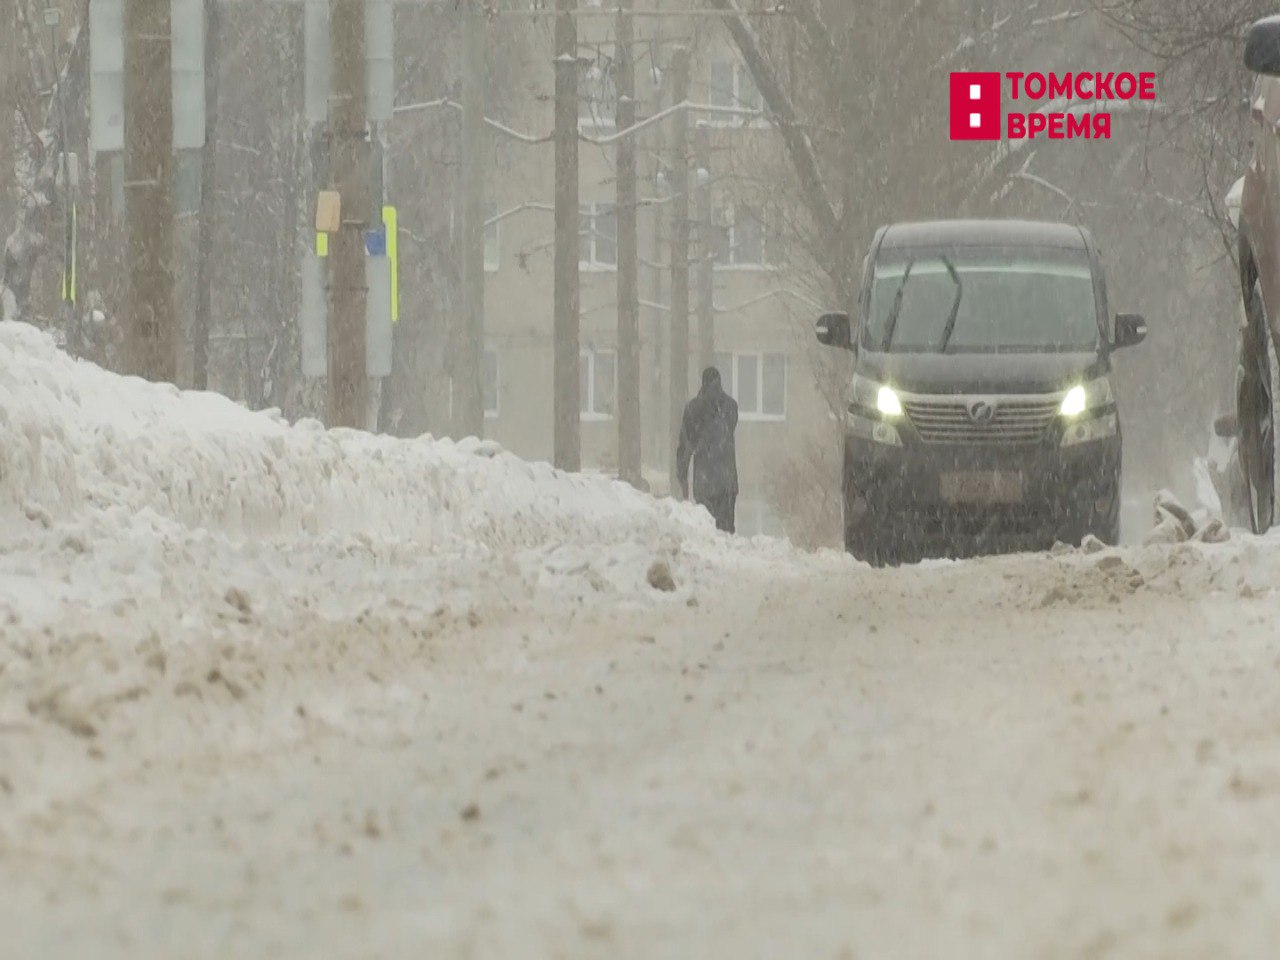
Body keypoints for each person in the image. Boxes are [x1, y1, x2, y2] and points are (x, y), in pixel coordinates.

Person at [676, 367, 739, 533]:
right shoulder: (731, 406)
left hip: (705, 482)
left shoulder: (693, 409)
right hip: (727, 482)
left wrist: (682, 475)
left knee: (707, 533)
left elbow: (685, 444)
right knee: (726, 533)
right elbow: (728, 430)